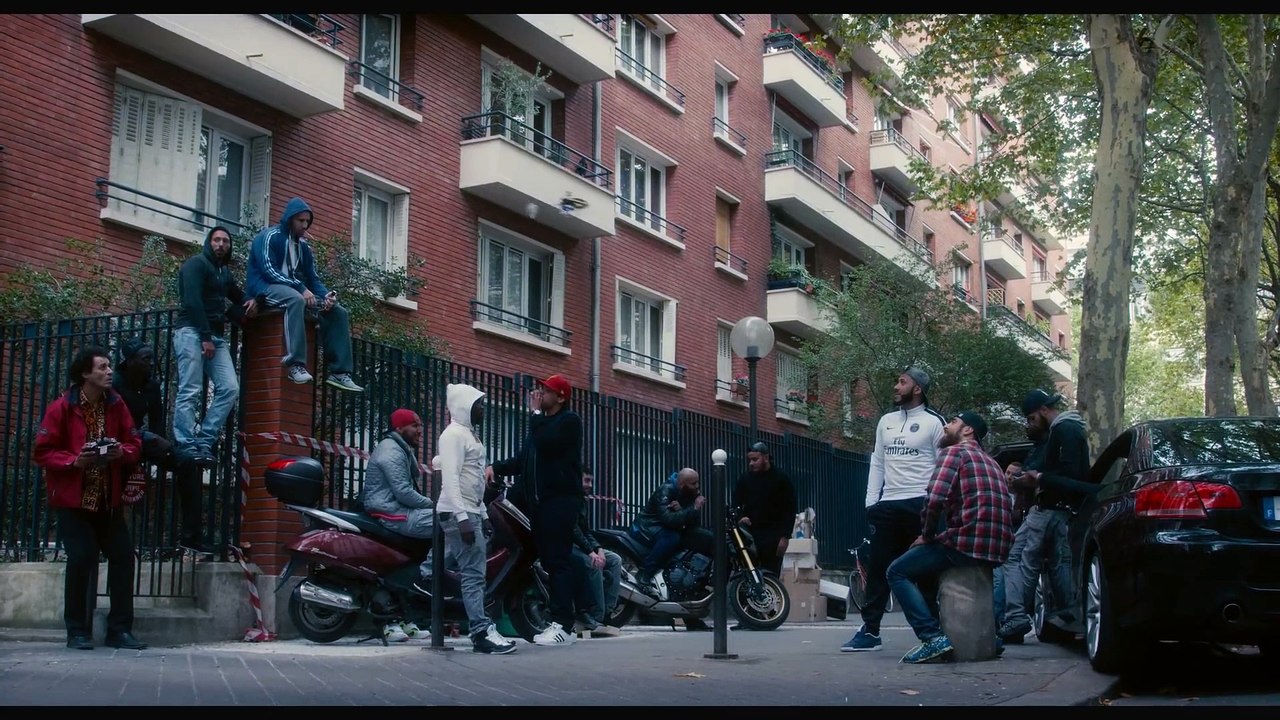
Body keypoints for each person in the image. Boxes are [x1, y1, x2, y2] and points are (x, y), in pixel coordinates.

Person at [33, 346, 147, 651]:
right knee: (81, 559)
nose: (110, 372)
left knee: (123, 558)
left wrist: (123, 452)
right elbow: (42, 451)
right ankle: (77, 631)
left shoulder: (116, 404)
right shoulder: (62, 407)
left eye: (110, 366)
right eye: (102, 367)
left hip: (108, 501)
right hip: (74, 501)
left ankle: (120, 630)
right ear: (86, 373)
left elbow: (134, 440)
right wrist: (74, 462)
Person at [887, 411, 1014, 664]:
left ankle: (931, 638)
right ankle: (988, 637)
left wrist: (927, 535)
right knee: (929, 566)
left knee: (897, 572)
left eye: (953, 422)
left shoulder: (954, 453)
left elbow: (934, 499)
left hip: (966, 541)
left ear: (968, 431)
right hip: (996, 548)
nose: (946, 427)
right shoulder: (992, 462)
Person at [842, 366, 947, 653]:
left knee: (924, 571)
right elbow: (877, 461)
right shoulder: (886, 421)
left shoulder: (934, 422)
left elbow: (943, 467)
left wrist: (934, 504)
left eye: (902, 382)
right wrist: (870, 501)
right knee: (878, 569)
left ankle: (933, 633)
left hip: (920, 504)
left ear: (918, 389)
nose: (896, 386)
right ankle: (870, 631)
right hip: (887, 504)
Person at [487, 374, 584, 647]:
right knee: (548, 561)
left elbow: (546, 443)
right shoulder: (540, 425)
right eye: (540, 390)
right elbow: (524, 460)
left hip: (559, 502)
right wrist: (497, 467)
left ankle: (564, 625)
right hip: (540, 505)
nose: (539, 393)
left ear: (561, 397)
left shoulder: (568, 422)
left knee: (558, 561)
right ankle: (559, 622)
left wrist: (534, 412)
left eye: (546, 390)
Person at [999, 389, 1095, 644]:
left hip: (1049, 507)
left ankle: (1016, 616)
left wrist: (1038, 478)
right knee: (1057, 564)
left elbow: (1070, 473)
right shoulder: (1069, 430)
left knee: (1017, 559)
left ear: (1043, 410)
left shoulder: (1063, 430)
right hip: (1062, 510)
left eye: (1031, 418)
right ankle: (1066, 618)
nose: (1029, 424)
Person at [245, 197, 363, 392]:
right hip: (264, 289)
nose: (304, 225)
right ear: (290, 219)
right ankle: (295, 364)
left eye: (307, 221)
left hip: (292, 290)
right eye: (300, 220)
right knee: (296, 299)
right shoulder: (268, 237)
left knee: (338, 312)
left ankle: (339, 373)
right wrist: (301, 288)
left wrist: (326, 296)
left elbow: (313, 278)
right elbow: (269, 271)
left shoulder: (303, 248)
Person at [436, 383, 517, 655]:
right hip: (460, 512)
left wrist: (481, 514)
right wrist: (462, 518)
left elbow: (473, 483)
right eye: (478, 405)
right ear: (463, 407)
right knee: (473, 575)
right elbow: (451, 480)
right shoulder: (453, 436)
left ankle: (481, 629)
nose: (483, 409)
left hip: (470, 511)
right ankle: (481, 633)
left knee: (475, 574)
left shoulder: (469, 435)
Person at [173, 225, 256, 468]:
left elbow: (235, 295)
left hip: (215, 337)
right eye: (217, 240)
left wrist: (252, 301)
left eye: (225, 241)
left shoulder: (223, 272)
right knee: (190, 389)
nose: (221, 244)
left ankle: (204, 439)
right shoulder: (196, 265)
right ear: (209, 242)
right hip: (191, 332)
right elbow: (192, 302)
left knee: (230, 387)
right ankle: (185, 441)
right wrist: (205, 336)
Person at [359, 408, 434, 643]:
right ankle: (427, 577)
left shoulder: (401, 448)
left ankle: (405, 617)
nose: (420, 431)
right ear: (400, 428)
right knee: (444, 523)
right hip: (390, 512)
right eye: (415, 425)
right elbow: (403, 492)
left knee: (410, 559)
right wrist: (434, 505)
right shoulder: (392, 451)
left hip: (397, 509)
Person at [994, 415, 1049, 628]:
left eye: (1014, 475)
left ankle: (1015, 616)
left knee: (1015, 566)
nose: (1009, 478)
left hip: (1017, 538)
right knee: (1003, 572)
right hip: (1003, 541)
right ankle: (1008, 617)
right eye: (1007, 473)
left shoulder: (1025, 499)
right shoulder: (998, 493)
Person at [628, 468, 714, 599]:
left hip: (672, 526)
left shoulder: (690, 492)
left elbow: (693, 522)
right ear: (681, 484)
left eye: (697, 482)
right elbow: (668, 519)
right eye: (693, 483)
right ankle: (645, 575)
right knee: (672, 538)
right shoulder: (666, 490)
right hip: (650, 526)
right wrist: (693, 508)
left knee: (703, 536)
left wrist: (685, 510)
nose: (697, 486)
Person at [570, 467, 623, 638]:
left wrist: (598, 548)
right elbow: (573, 530)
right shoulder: (569, 499)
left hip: (581, 545)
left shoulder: (581, 501)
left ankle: (607, 612)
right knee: (593, 564)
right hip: (566, 544)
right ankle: (595, 617)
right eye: (587, 480)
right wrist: (591, 552)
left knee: (614, 560)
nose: (590, 485)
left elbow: (585, 530)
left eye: (591, 481)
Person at [733, 441, 798, 577]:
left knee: (771, 574)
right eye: (749, 460)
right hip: (751, 534)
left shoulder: (781, 479)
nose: (751, 463)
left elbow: (790, 510)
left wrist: (785, 537)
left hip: (774, 535)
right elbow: (735, 503)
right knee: (750, 573)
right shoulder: (745, 479)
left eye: (755, 459)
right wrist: (741, 516)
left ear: (766, 458)